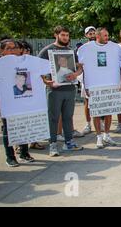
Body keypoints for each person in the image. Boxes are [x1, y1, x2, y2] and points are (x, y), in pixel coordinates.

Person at [39, 26, 84, 156]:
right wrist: (46, 81)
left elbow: (79, 68)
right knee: (53, 118)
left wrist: (75, 74)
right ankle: (52, 145)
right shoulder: (47, 50)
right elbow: (37, 69)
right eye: (63, 35)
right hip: (54, 90)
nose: (65, 37)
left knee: (68, 117)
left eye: (67, 35)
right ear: (56, 35)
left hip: (70, 88)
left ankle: (68, 142)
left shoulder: (71, 51)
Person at [78, 27, 121, 149]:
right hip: (94, 85)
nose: (107, 38)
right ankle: (98, 137)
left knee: (109, 111)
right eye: (105, 36)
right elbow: (82, 68)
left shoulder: (115, 48)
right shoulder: (85, 49)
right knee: (96, 112)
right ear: (97, 36)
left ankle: (106, 135)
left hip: (111, 84)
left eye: (108, 35)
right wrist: (86, 85)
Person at [0, 39, 35, 167]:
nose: (12, 51)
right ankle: (10, 157)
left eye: (14, 48)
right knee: (8, 129)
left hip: (22, 102)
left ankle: (24, 153)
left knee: (24, 126)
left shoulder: (22, 64)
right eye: (8, 48)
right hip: (6, 104)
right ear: (1, 51)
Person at [78, 26, 96, 135]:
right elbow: (79, 64)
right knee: (87, 102)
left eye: (93, 33)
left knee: (100, 101)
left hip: (99, 79)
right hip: (87, 78)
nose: (92, 35)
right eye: (90, 33)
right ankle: (88, 124)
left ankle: (101, 122)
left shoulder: (102, 46)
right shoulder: (82, 49)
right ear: (86, 35)